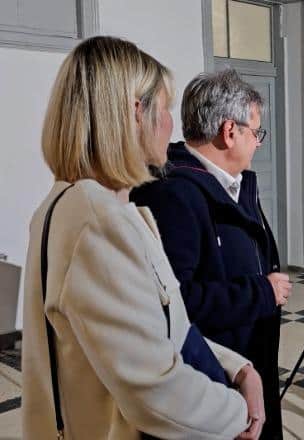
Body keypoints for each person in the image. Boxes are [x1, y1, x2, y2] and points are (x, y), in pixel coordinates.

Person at [23, 36, 263, 440]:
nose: (172, 123)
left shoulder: (87, 205)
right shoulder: (94, 219)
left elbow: (161, 325)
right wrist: (240, 414)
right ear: (137, 113)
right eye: (165, 107)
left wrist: (235, 366)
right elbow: (155, 390)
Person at [131, 69, 291, 439]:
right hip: (212, 379)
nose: (259, 143)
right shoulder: (172, 195)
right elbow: (174, 303)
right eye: (256, 132)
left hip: (250, 362)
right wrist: (261, 292)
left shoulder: (237, 184)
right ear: (229, 131)